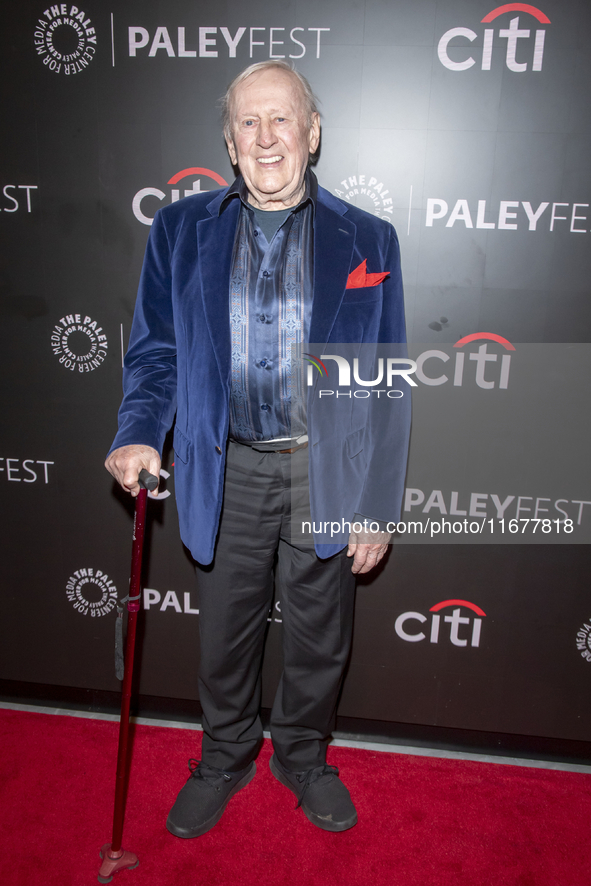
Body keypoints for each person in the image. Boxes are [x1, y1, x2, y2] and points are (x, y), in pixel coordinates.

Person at [105, 60, 409, 837]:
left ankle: (302, 756)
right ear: (229, 141)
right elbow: (155, 355)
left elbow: (383, 384)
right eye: (248, 121)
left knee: (319, 635)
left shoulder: (369, 239)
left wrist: (375, 503)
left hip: (324, 470)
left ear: (312, 132)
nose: (266, 137)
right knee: (225, 632)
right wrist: (139, 430)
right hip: (226, 462)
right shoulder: (180, 229)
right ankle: (225, 754)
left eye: (282, 119)